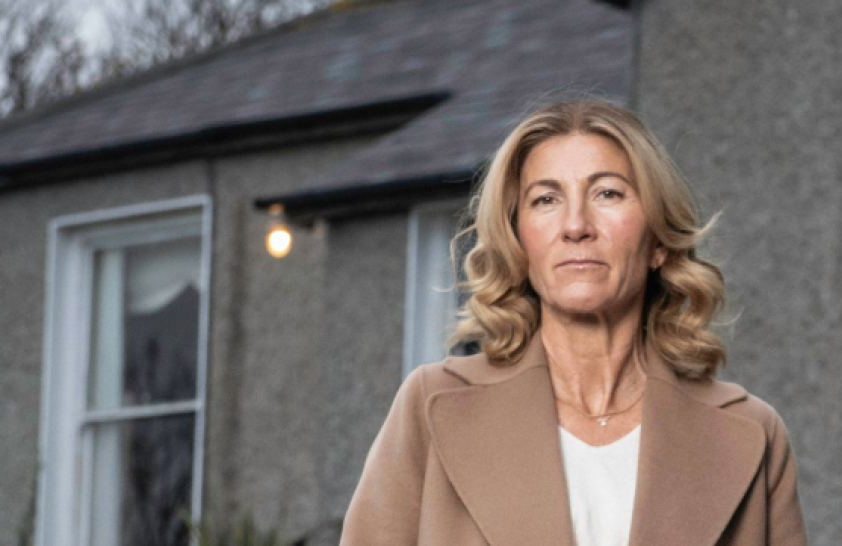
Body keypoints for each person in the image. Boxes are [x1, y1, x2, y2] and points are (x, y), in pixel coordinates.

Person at [342, 100, 806, 546]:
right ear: (519, 242)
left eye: (607, 193)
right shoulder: (431, 406)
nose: (576, 225)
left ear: (659, 241)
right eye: (546, 199)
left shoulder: (750, 433)